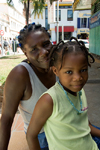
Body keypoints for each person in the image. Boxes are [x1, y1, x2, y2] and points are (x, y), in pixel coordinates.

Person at [26, 37, 100, 150]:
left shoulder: (80, 92)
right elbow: (31, 135)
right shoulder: (49, 100)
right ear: (55, 71)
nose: (78, 78)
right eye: (69, 72)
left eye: (83, 70)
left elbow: (86, 126)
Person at [0, 22, 56, 150]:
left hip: (65, 128)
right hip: (42, 138)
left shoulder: (58, 64)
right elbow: (7, 119)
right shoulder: (20, 75)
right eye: (34, 49)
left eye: (46, 44)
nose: (43, 52)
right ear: (26, 54)